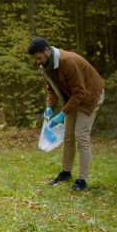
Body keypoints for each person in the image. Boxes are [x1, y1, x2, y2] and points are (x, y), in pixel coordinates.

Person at [28, 37, 105, 191]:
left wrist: (62, 114)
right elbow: (51, 88)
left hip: (90, 96)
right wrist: (50, 107)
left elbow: (80, 92)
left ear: (47, 51)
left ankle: (82, 180)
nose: (38, 61)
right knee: (68, 135)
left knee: (81, 134)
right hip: (74, 98)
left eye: (39, 57)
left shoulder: (67, 61)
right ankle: (65, 173)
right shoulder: (46, 64)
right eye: (35, 59)